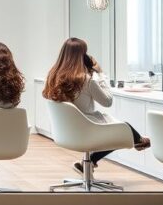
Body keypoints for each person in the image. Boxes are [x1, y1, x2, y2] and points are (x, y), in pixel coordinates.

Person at [43, 37, 151, 175]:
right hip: (87, 129)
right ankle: (140, 141)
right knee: (123, 129)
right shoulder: (86, 80)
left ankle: (91, 162)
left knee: (121, 127)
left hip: (67, 131)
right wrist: (100, 74)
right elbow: (107, 101)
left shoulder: (53, 77)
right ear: (82, 56)